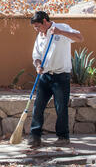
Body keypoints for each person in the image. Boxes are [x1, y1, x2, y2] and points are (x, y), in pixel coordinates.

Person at [28, 11, 84, 148]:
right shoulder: (40, 36)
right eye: (34, 27)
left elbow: (80, 38)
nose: (36, 29)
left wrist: (60, 32)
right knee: (38, 106)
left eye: (37, 26)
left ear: (45, 22)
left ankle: (63, 137)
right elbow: (36, 55)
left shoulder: (62, 27)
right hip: (45, 77)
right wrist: (37, 66)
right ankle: (35, 137)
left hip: (61, 76)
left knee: (61, 107)